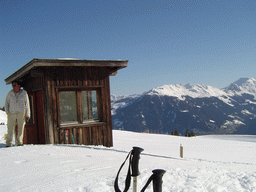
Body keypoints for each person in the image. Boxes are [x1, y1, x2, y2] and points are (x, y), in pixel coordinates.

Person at [5, 81, 30, 147]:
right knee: (10, 129)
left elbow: (27, 104)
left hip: (21, 113)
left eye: (15, 85)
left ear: (19, 86)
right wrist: (7, 112)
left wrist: (28, 114)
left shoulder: (24, 93)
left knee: (21, 129)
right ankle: (8, 143)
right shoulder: (10, 93)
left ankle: (19, 143)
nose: (13, 87)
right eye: (13, 85)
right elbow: (6, 103)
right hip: (12, 113)